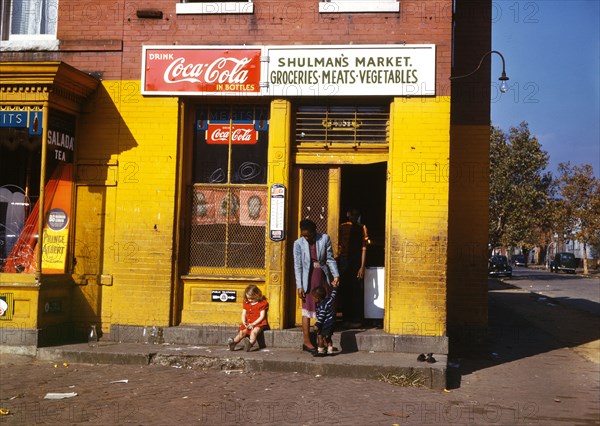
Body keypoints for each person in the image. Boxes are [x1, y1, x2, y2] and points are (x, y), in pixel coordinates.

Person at [293, 219, 339, 353]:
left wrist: (336, 275)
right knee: (307, 309)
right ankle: (307, 342)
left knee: (324, 309)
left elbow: (330, 258)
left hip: (322, 278)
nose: (306, 237)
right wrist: (299, 286)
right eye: (304, 235)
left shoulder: (324, 239)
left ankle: (324, 341)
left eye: (309, 235)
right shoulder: (298, 244)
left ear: (314, 231)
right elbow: (298, 266)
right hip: (307, 280)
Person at [338, 208, 369, 327]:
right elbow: (338, 244)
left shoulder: (362, 228)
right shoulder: (342, 227)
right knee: (345, 289)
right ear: (348, 214)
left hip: (356, 261)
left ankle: (357, 319)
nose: (354, 217)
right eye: (352, 214)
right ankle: (346, 318)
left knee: (357, 289)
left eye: (357, 215)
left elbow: (364, 248)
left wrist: (362, 266)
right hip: (344, 260)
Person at [227, 284, 268, 351]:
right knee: (242, 333)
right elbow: (243, 314)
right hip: (249, 322)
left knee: (254, 332)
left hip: (258, 323)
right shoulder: (246, 302)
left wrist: (254, 324)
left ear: (257, 295)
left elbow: (262, 316)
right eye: (248, 298)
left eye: (252, 298)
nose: (250, 300)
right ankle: (233, 342)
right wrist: (244, 322)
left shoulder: (262, 303)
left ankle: (250, 343)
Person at [311, 284, 338, 356]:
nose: (312, 299)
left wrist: (317, 325)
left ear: (317, 298)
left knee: (320, 336)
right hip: (332, 323)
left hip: (325, 324)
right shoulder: (329, 300)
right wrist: (335, 287)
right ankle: (330, 351)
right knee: (328, 337)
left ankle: (321, 351)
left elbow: (321, 317)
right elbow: (333, 295)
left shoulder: (322, 306)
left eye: (313, 297)